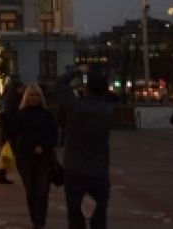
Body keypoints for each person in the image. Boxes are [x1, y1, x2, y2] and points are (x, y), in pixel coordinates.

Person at [62, 69, 112, 229]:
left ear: (86, 88)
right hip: (99, 170)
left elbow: (61, 85)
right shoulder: (107, 111)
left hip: (75, 169)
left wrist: (76, 72)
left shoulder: (77, 107)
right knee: (99, 217)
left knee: (75, 216)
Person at [8, 83, 59, 229]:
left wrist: (43, 146)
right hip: (25, 158)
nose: (34, 98)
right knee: (30, 190)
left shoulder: (47, 115)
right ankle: (34, 219)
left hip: (43, 157)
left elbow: (53, 135)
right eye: (31, 95)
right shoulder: (20, 114)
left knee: (42, 191)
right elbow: (12, 132)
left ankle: (40, 222)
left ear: (41, 97)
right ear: (26, 97)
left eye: (37, 95)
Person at [0, 79, 24, 184]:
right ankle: (2, 175)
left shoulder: (5, 99)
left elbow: (0, 113)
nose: (23, 90)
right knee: (16, 155)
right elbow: (8, 117)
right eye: (21, 88)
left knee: (7, 154)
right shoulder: (13, 100)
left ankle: (1, 175)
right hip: (12, 132)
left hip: (8, 132)